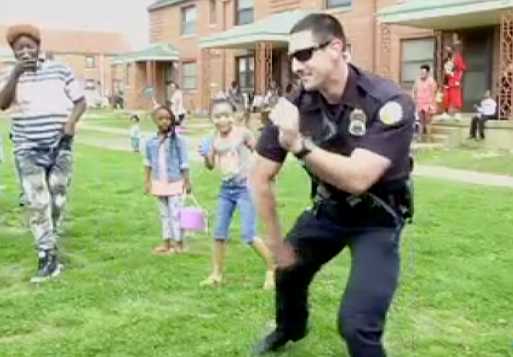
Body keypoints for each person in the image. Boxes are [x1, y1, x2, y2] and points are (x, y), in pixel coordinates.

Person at [249, 13, 414, 356]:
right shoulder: (297, 105)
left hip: (377, 219)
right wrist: (277, 242)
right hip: (328, 212)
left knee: (357, 325)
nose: (296, 65)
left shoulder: (387, 103)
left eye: (305, 54)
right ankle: (289, 329)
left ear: (336, 47)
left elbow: (358, 178)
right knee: (288, 268)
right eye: (292, 56)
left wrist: (299, 144)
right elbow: (260, 175)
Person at [0, 24, 86, 283]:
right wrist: (15, 74)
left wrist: (71, 121)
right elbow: (2, 103)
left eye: (29, 46)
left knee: (57, 198)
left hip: (60, 145)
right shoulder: (8, 74)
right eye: (19, 48)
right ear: (13, 52)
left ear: (39, 47)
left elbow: (80, 101)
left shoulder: (60, 70)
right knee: (38, 203)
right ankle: (46, 256)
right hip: (27, 149)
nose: (25, 51)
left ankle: (51, 235)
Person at [198, 98, 275, 290]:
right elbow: (210, 166)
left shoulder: (243, 134)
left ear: (233, 116)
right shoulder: (213, 139)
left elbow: (259, 153)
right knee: (218, 233)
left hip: (245, 189)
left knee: (249, 234)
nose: (222, 120)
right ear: (212, 119)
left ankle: (273, 269)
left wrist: (263, 177)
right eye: (217, 116)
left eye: (226, 115)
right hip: (226, 190)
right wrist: (205, 155)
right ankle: (216, 274)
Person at [145, 105, 191, 254]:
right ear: (155, 121)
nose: (164, 121)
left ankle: (178, 243)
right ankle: (166, 243)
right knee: (164, 214)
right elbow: (148, 163)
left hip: (175, 182)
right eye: (161, 118)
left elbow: (184, 162)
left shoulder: (178, 140)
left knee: (176, 213)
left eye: (167, 118)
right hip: (159, 183)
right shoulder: (151, 142)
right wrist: (147, 181)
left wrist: (187, 180)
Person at [413, 64, 437, 142]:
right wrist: (414, 99)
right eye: (421, 72)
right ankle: (420, 138)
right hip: (420, 103)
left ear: (427, 73)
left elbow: (434, 92)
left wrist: (431, 105)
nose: (422, 74)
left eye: (424, 72)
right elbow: (414, 91)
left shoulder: (431, 81)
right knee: (420, 122)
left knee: (428, 122)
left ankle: (428, 138)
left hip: (428, 104)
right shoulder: (417, 81)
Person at [442, 45, 466, 120]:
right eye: (446, 50)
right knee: (445, 97)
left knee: (456, 97)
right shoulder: (446, 60)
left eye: (449, 50)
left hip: (454, 80)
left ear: (453, 50)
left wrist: (458, 80)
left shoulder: (457, 58)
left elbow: (461, 69)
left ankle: (457, 114)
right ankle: (445, 113)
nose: (448, 51)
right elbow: (444, 71)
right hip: (446, 81)